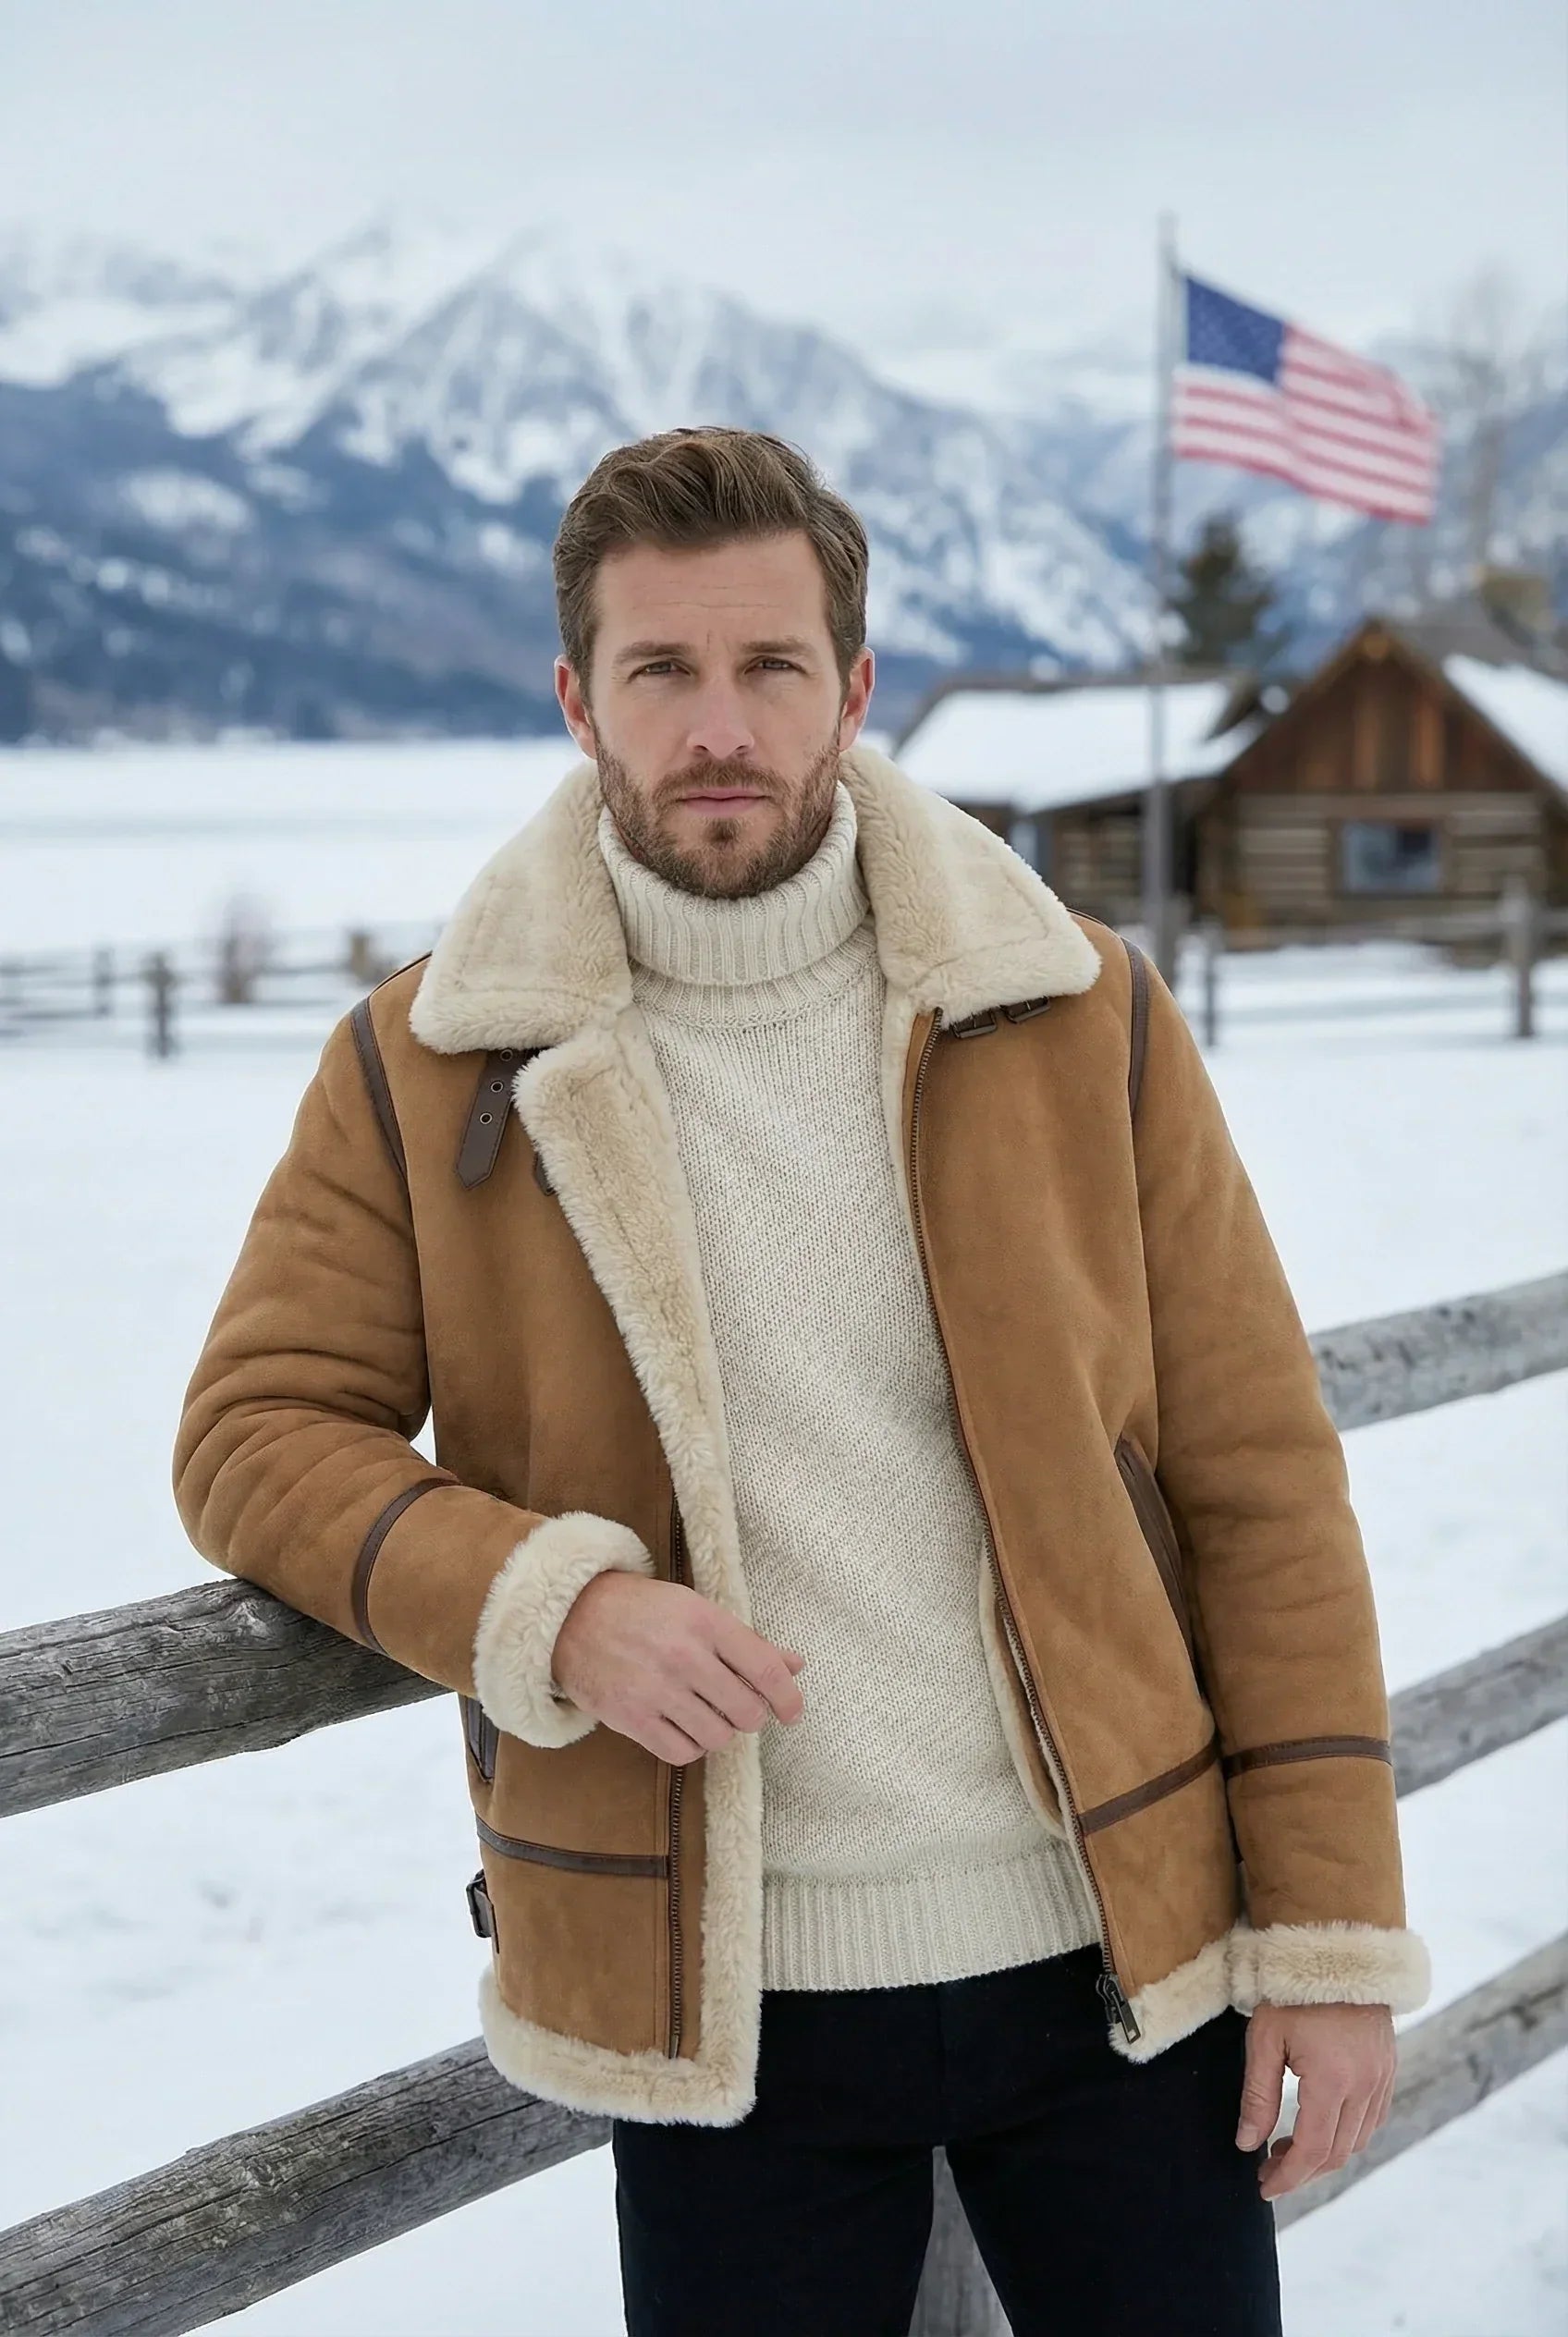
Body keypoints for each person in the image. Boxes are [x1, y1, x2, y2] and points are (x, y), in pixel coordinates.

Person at [173, 424, 1431, 2337]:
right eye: (658, 669)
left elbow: (1259, 1483)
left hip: (1116, 1961)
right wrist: (551, 1607)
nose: (717, 725)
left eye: (769, 667)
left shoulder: (1073, 1011)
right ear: (573, 697)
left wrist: (1328, 1941)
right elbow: (255, 1438)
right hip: (714, 2006)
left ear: (851, 686)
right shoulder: (428, 1062)